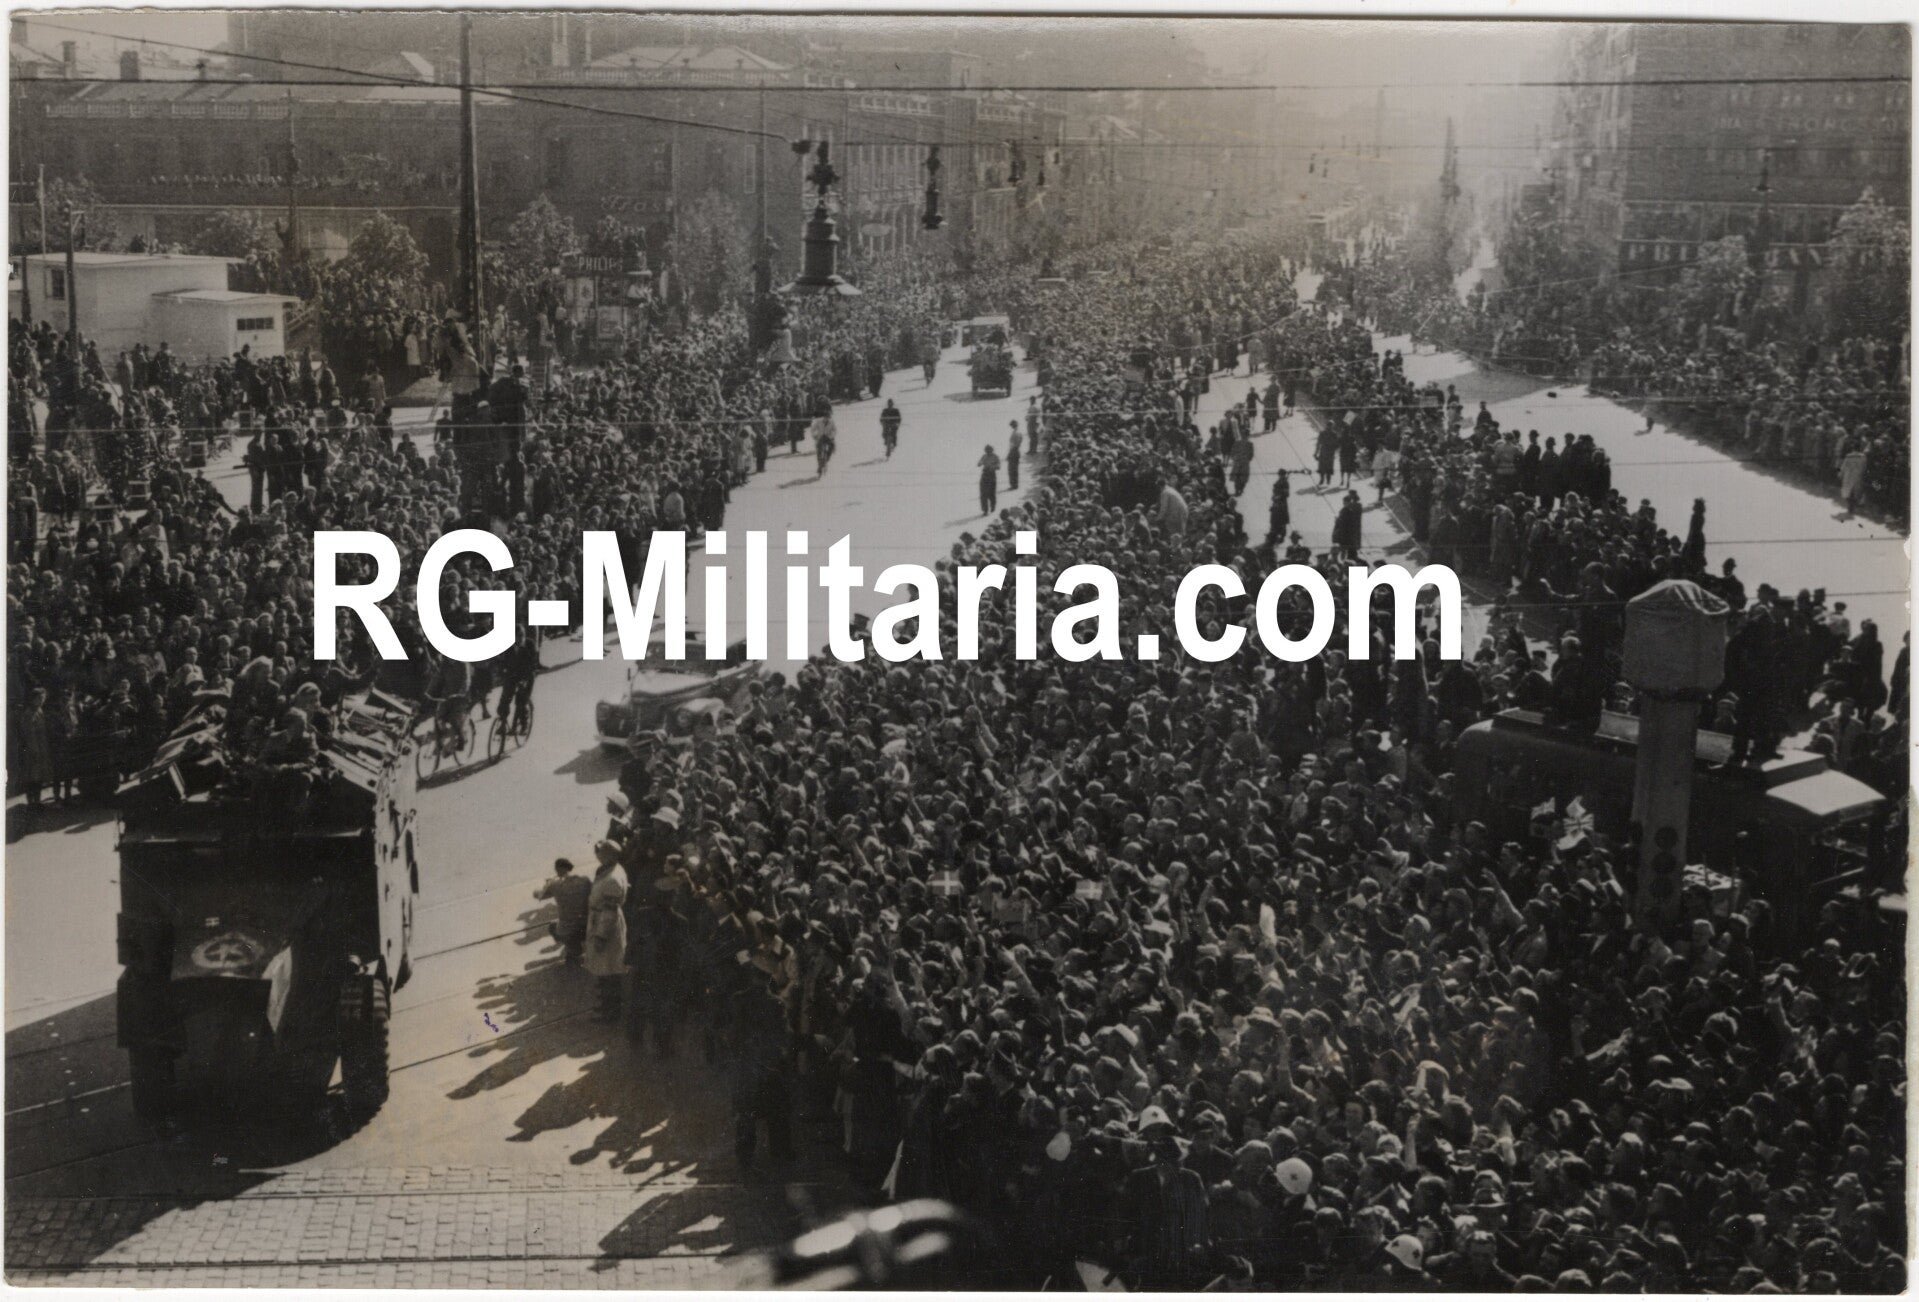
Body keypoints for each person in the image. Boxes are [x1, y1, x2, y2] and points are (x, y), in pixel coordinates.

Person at [585, 841, 630, 1019]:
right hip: (599, 919)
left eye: (601, 851)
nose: (597, 853)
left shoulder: (612, 879)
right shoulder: (609, 869)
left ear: (609, 855)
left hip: (606, 926)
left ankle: (610, 1011)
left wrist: (600, 936)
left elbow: (610, 911)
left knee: (608, 969)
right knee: (605, 968)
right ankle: (607, 1004)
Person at [534, 857, 591, 965]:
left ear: (558, 869)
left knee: (552, 926)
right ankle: (579, 947)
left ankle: (573, 948)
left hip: (570, 931)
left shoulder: (555, 885)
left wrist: (548, 883)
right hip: (588, 926)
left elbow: (538, 895)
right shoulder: (585, 880)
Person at [978, 442, 1001, 515]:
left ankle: (993, 506)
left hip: (992, 475)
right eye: (986, 451)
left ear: (992, 450)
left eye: (989, 451)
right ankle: (985, 510)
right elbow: (979, 463)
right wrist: (980, 463)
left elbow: (999, 466)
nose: (988, 452)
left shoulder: (995, 457)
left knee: (991, 493)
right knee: (983, 493)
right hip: (985, 475)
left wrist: (993, 467)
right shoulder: (984, 456)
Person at [1006, 423, 1022, 491]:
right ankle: (1015, 484)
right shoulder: (1019, 433)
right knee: (1015, 469)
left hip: (1013, 452)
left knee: (1011, 469)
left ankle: (1013, 485)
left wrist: (1008, 454)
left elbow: (1012, 445)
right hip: (1017, 451)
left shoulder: (1014, 434)